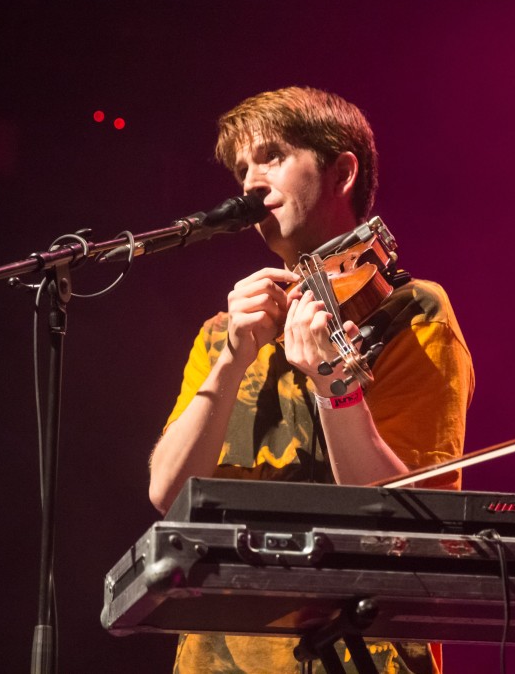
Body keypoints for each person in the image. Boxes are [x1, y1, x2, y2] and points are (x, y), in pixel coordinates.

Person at [148, 86, 474, 674]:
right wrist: (230, 362)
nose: (249, 182)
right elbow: (169, 495)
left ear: (341, 172)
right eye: (241, 169)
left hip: (366, 655)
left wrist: (334, 385)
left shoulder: (410, 311)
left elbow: (405, 521)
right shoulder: (224, 331)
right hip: (217, 656)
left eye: (271, 156)